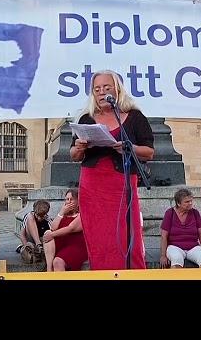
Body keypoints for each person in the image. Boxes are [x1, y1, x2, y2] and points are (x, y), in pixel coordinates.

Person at [70, 70, 154, 270]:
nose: (101, 92)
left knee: (127, 235)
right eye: (97, 89)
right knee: (98, 237)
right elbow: (74, 154)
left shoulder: (135, 117)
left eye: (106, 87)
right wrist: (80, 148)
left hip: (121, 184)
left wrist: (129, 147)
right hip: (92, 185)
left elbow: (149, 152)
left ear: (117, 90)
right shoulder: (86, 119)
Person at [160, 188, 201, 268]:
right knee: (177, 260)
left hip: (193, 246)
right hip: (174, 246)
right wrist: (163, 255)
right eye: (187, 202)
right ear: (178, 203)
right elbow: (164, 236)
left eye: (191, 201)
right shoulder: (170, 213)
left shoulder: (195, 213)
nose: (190, 203)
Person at [42, 188, 88, 272]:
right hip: (62, 244)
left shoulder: (82, 215)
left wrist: (52, 234)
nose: (69, 201)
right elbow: (53, 228)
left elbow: (71, 228)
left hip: (76, 246)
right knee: (48, 232)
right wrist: (61, 212)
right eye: (67, 199)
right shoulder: (63, 215)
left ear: (78, 201)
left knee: (57, 261)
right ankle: (49, 269)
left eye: (72, 199)